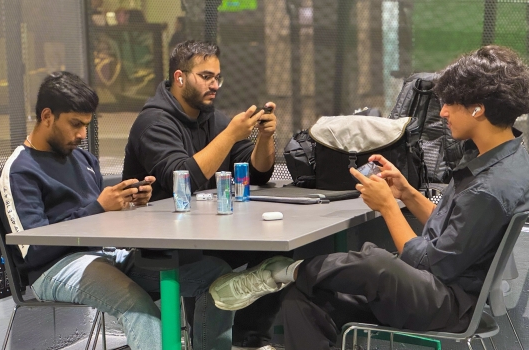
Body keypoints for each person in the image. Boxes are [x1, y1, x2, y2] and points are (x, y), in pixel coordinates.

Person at [208, 45, 529, 350]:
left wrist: (389, 206)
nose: (442, 112)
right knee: (303, 298)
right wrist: (405, 191)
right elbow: (453, 229)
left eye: (451, 104)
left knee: (376, 261)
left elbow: (433, 265)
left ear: (478, 108)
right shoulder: (502, 159)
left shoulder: (490, 186)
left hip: (447, 301)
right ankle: (291, 275)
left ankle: (282, 271)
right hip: (438, 287)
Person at [0, 71, 233, 350]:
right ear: (47, 116)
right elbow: (31, 249)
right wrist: (99, 208)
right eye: (75, 124)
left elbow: (97, 220)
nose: (82, 135)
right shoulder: (20, 171)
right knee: (139, 308)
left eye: (86, 125)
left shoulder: (83, 159)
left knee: (215, 276)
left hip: (106, 255)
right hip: (53, 269)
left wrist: (128, 204)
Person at [122, 40, 284, 350]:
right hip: (158, 248)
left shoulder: (212, 118)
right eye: (206, 76)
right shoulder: (153, 122)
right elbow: (182, 179)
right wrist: (230, 135)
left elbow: (256, 172)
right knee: (214, 267)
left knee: (273, 253)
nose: (215, 85)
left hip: (204, 233)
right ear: (180, 77)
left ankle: (248, 341)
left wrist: (264, 138)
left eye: (218, 78)